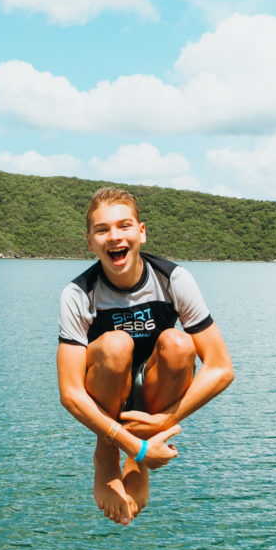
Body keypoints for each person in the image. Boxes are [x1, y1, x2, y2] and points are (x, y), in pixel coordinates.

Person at [57, 187, 234, 526]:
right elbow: (70, 393)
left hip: (156, 389)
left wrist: (164, 421)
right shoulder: (78, 294)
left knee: (180, 343)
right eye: (102, 229)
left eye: (124, 225)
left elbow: (221, 369)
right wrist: (128, 444)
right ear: (90, 242)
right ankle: (107, 451)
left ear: (142, 232)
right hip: (107, 385)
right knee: (115, 345)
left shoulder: (173, 280)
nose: (114, 236)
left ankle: (139, 449)